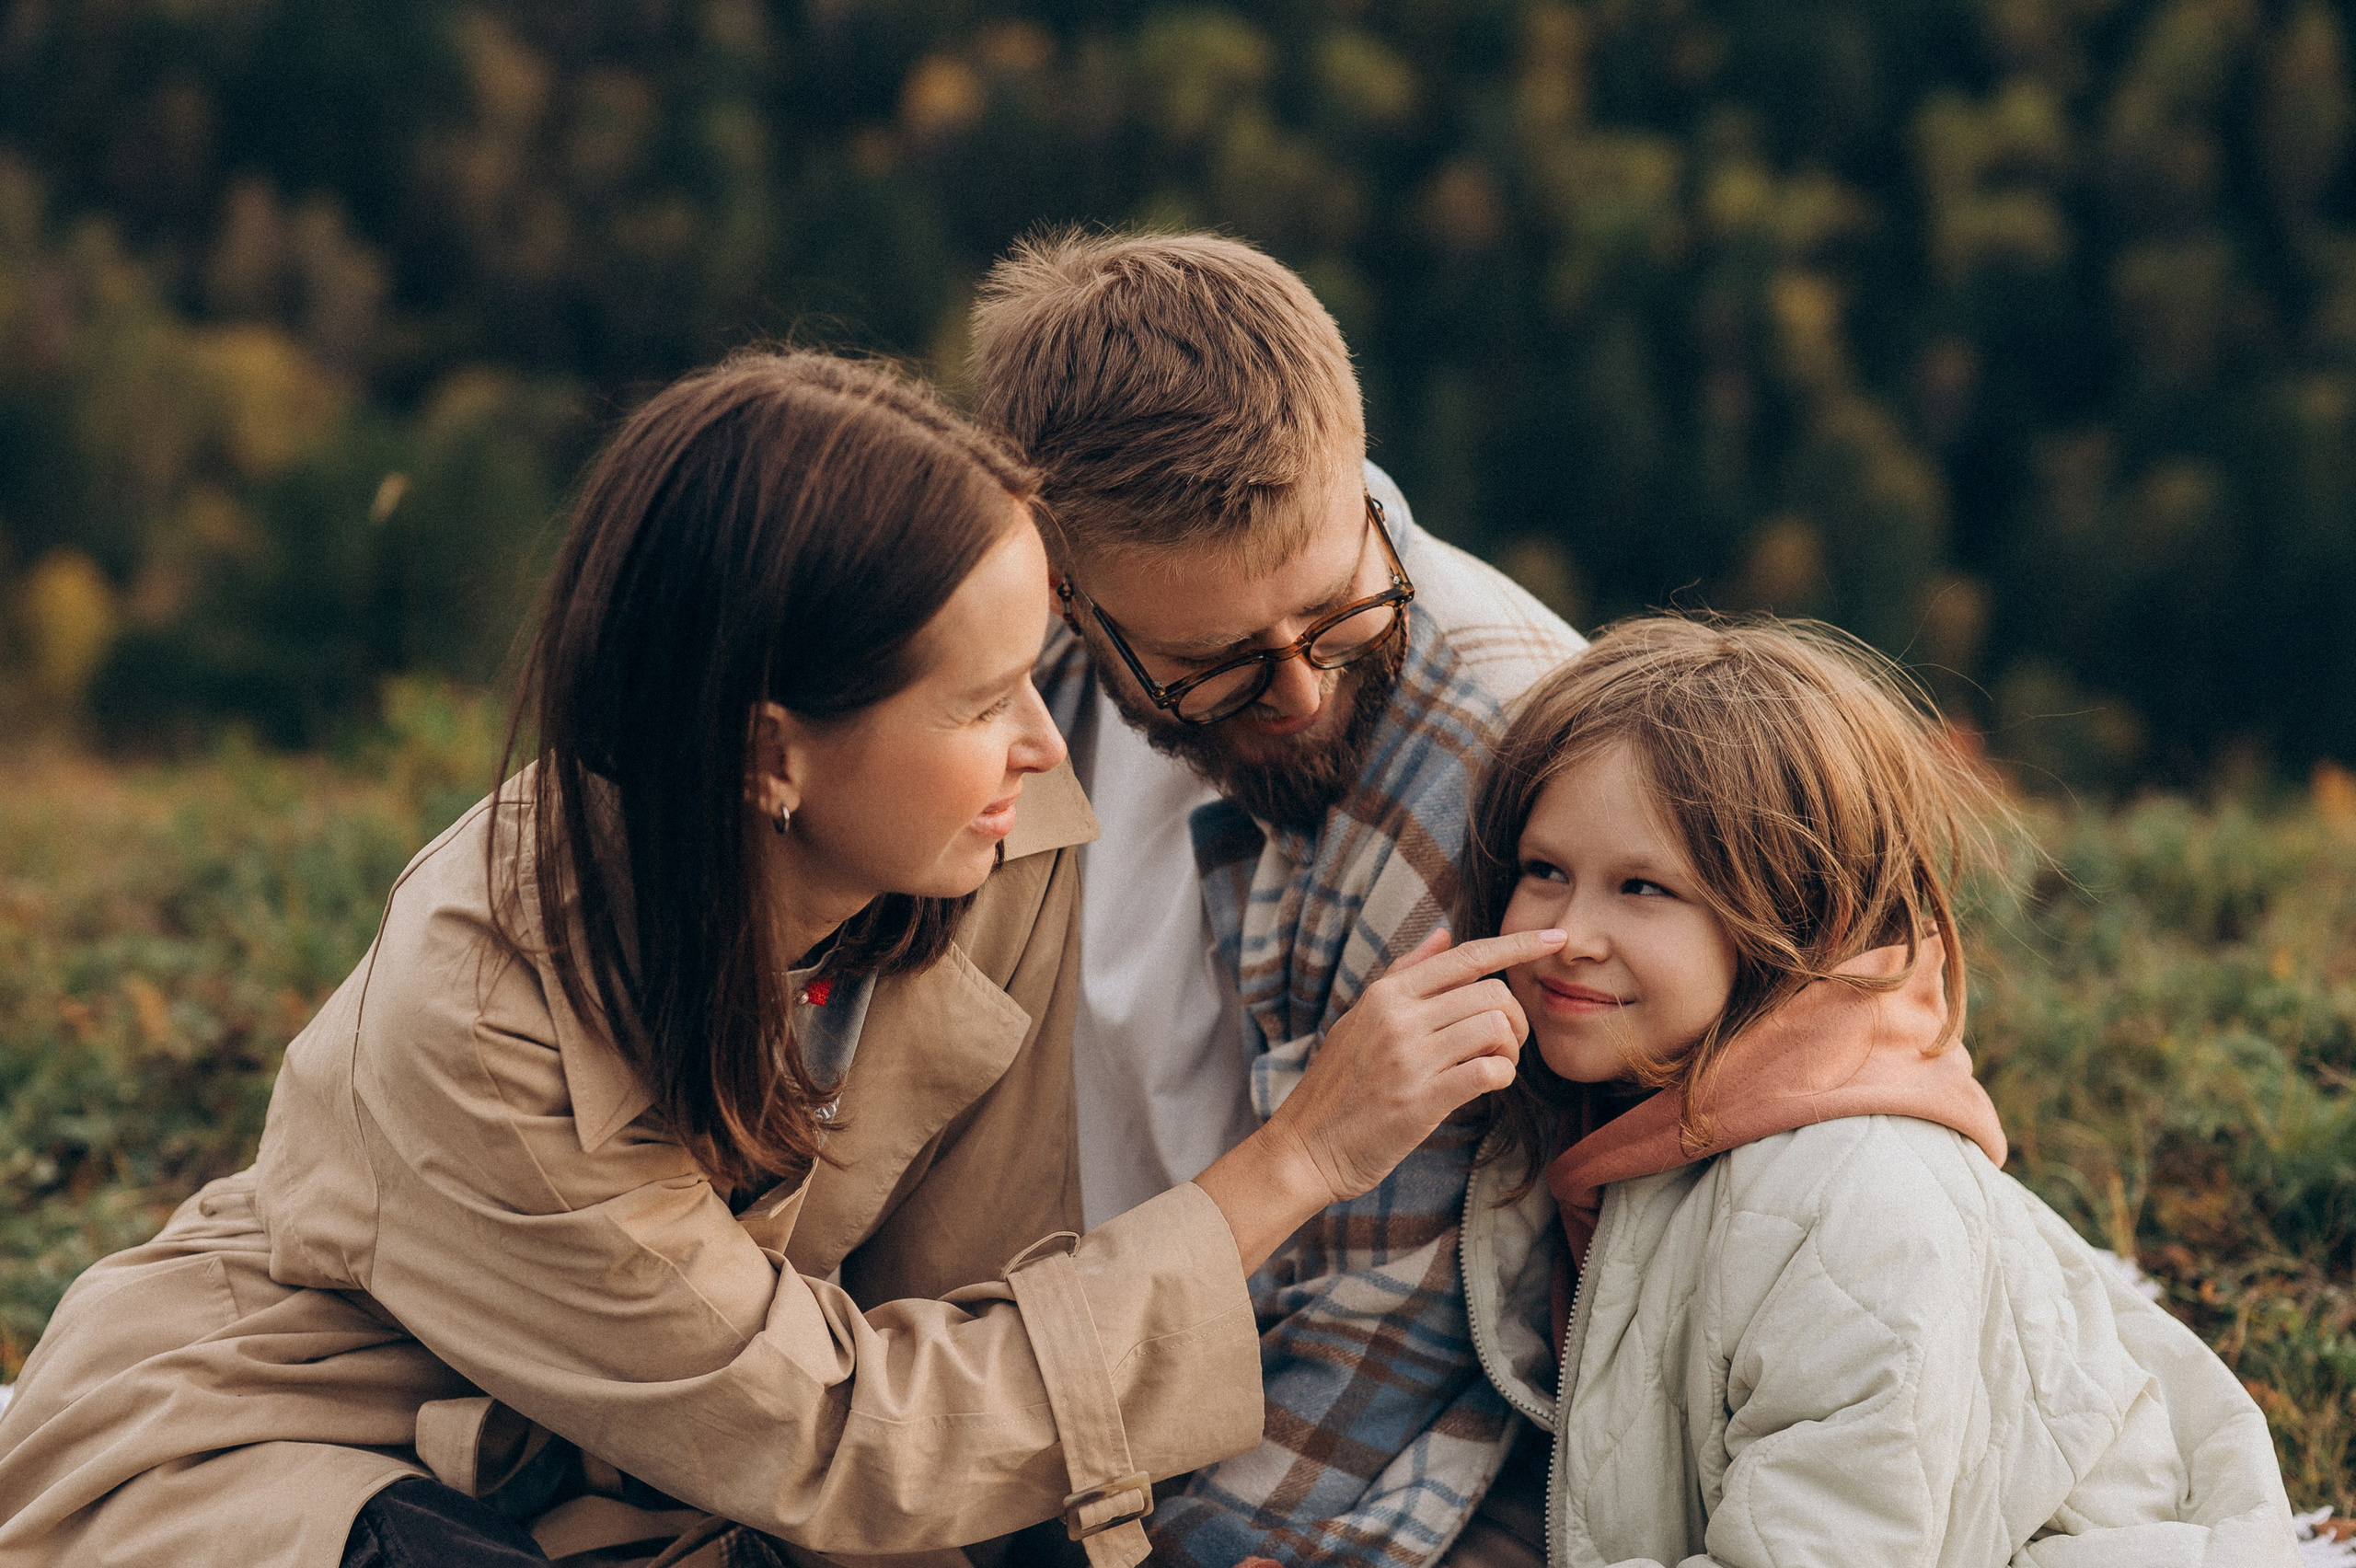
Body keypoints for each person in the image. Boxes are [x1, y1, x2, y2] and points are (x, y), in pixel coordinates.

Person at [0, 352, 1565, 1568]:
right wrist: (1295, 1158)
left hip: (689, 1481)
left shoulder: (980, 852)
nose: (1045, 740)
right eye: (982, 702)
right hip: (321, 1434)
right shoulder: (488, 1002)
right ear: (771, 755)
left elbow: (959, 1318)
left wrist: (1810, 989)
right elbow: (835, 1428)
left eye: (1046, 674)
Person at [967, 231, 1586, 1567]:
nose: (1302, 695)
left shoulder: (1491, 776)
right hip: (1066, 1392)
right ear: (1064, 595)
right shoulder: (1008, 703)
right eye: (1218, 666)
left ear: (1356, 477)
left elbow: (1385, 1353)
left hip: (1332, 1477)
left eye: (1335, 613)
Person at [1448, 616, 2301, 1567]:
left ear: (1795, 914)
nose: (1569, 933)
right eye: (1543, 871)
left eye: (1642, 888)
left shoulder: (1854, 1208)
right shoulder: (1602, 1124)